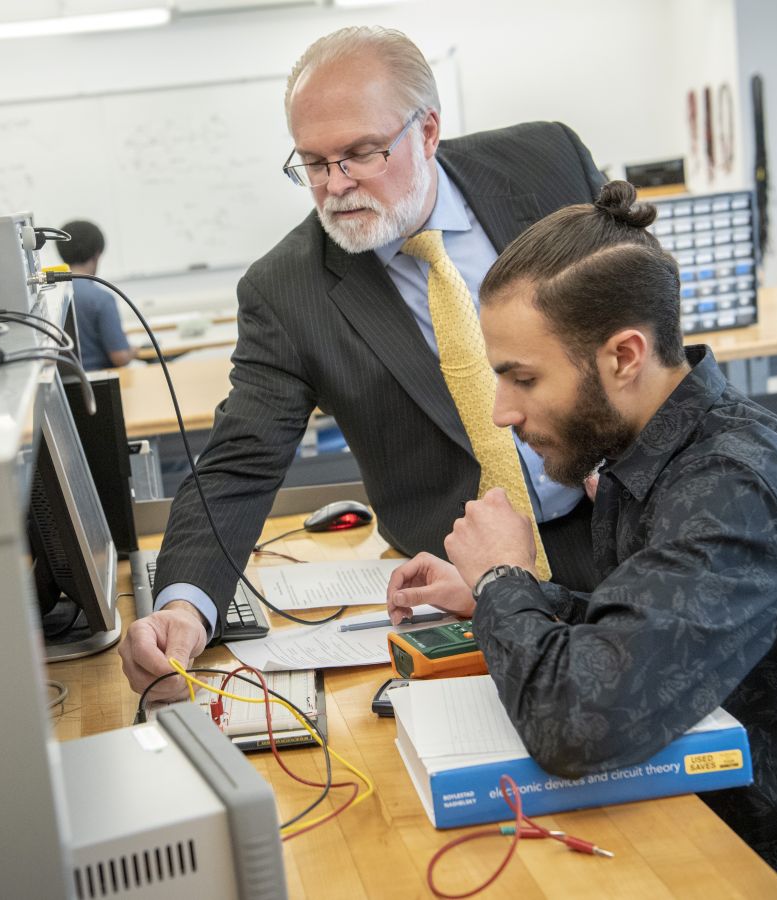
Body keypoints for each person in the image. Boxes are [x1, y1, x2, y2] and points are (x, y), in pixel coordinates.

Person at [385, 180, 777, 899]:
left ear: (623, 356)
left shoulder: (732, 486)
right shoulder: (664, 453)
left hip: (733, 860)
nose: (502, 411)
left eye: (522, 378)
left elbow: (576, 725)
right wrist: (510, 600)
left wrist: (502, 583)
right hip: (678, 813)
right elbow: (651, 634)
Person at [118, 26, 605, 698]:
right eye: (313, 163)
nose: (336, 186)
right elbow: (240, 462)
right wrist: (183, 606)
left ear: (427, 132)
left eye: (360, 154)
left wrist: (646, 459)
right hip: (456, 586)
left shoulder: (545, 163)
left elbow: (644, 322)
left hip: (622, 523)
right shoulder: (289, 289)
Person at [57, 219, 134, 370]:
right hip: (101, 383)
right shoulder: (101, 299)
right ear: (97, 254)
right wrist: (134, 351)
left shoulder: (51, 296)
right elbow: (120, 357)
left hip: (68, 386)